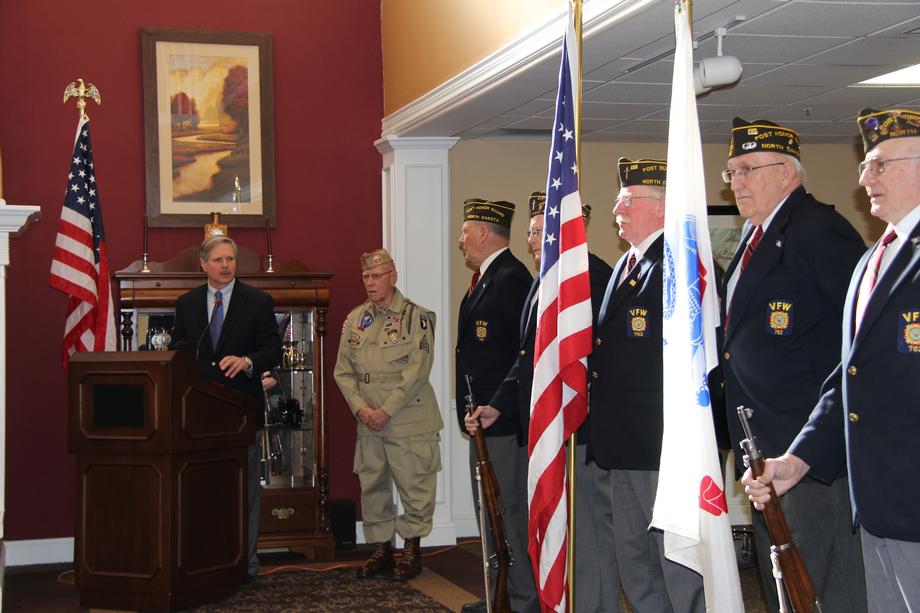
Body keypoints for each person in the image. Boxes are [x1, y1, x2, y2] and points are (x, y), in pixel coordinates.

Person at [744, 107, 920, 612]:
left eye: (881, 164)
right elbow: (849, 378)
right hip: (878, 502)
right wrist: (798, 460)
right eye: (866, 165)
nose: (864, 177)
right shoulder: (873, 259)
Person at [720, 118, 867, 612]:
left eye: (747, 169)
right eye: (731, 171)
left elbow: (860, 341)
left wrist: (813, 444)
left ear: (787, 172)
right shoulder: (753, 235)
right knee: (782, 580)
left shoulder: (818, 230)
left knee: (824, 583)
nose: (736, 182)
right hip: (761, 445)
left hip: (809, 449)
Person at [465, 192, 620, 613]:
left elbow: (597, 359)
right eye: (533, 232)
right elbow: (530, 356)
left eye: (540, 232)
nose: (532, 241)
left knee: (587, 537)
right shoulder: (542, 281)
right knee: (558, 531)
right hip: (546, 425)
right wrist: (500, 403)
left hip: (579, 427)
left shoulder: (595, 277)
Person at [589, 158, 704, 612]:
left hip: (658, 441)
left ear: (660, 208)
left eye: (628, 199)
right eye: (620, 198)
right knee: (633, 557)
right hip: (622, 442)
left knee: (674, 560)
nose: (618, 207)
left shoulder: (678, 261)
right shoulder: (626, 264)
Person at [170, 235, 282, 583]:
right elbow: (178, 349)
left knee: (244, 491)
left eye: (230, 259)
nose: (225, 265)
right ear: (202, 264)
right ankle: (206, 560)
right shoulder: (187, 304)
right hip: (199, 413)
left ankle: (245, 565)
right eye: (218, 260)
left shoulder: (258, 301)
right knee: (203, 490)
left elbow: (273, 350)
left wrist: (248, 361)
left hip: (240, 410)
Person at [333, 249, 442, 581]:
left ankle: (411, 549)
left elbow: (417, 372)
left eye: (377, 276)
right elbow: (343, 372)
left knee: (414, 484)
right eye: (366, 276)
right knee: (373, 484)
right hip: (369, 420)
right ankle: (381, 549)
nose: (370, 282)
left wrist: (385, 411)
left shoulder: (416, 317)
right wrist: (361, 409)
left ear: (393, 277)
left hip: (406, 417)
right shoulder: (356, 320)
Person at [456, 198, 535, 613]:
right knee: (490, 514)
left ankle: (521, 600)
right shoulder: (487, 278)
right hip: (483, 421)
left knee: (507, 514)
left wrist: (498, 405)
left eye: (466, 231)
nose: (461, 240)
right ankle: (496, 596)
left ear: (485, 232)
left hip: (502, 422)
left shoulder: (511, 279)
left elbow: (525, 355)